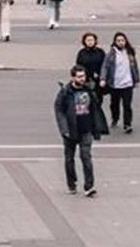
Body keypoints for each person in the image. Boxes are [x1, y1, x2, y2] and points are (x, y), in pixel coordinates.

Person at [54, 65, 105, 196]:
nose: (82, 79)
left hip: (86, 129)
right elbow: (59, 110)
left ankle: (89, 186)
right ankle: (72, 184)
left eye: (83, 76)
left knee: (86, 157)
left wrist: (96, 127)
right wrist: (64, 129)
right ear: (73, 78)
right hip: (71, 131)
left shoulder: (89, 89)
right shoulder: (65, 92)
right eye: (79, 77)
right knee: (69, 159)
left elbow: (95, 108)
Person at [100, 32, 139, 133]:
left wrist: (136, 80)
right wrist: (103, 79)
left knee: (127, 105)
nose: (121, 42)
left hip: (127, 84)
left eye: (122, 40)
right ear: (115, 42)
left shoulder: (129, 53)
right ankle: (115, 117)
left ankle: (127, 124)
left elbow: (134, 67)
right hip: (115, 84)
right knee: (114, 104)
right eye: (118, 41)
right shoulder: (111, 54)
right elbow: (105, 67)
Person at [75, 32, 106, 102]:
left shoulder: (100, 52)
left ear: (95, 41)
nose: (90, 42)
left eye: (91, 40)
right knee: (85, 100)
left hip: (98, 80)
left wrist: (101, 77)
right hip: (85, 80)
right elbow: (78, 66)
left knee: (98, 100)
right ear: (84, 42)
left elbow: (105, 66)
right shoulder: (81, 53)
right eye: (88, 40)